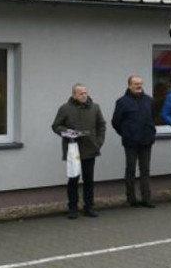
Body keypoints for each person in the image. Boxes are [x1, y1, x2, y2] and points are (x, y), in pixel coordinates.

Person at [52, 83, 106, 219]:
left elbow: (101, 125)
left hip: (90, 148)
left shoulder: (95, 108)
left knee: (89, 180)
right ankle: (72, 208)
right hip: (73, 149)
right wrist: (66, 131)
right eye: (81, 93)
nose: (84, 95)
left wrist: (98, 143)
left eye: (85, 93)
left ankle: (89, 207)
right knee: (73, 179)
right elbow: (56, 126)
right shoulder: (65, 108)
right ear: (74, 95)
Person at [112, 75, 156, 208]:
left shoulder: (148, 100)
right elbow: (116, 122)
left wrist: (150, 131)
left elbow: (153, 117)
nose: (139, 86)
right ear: (129, 85)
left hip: (146, 140)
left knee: (145, 170)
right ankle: (131, 198)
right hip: (130, 141)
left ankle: (146, 198)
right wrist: (126, 133)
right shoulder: (122, 102)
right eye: (136, 84)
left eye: (140, 83)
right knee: (130, 170)